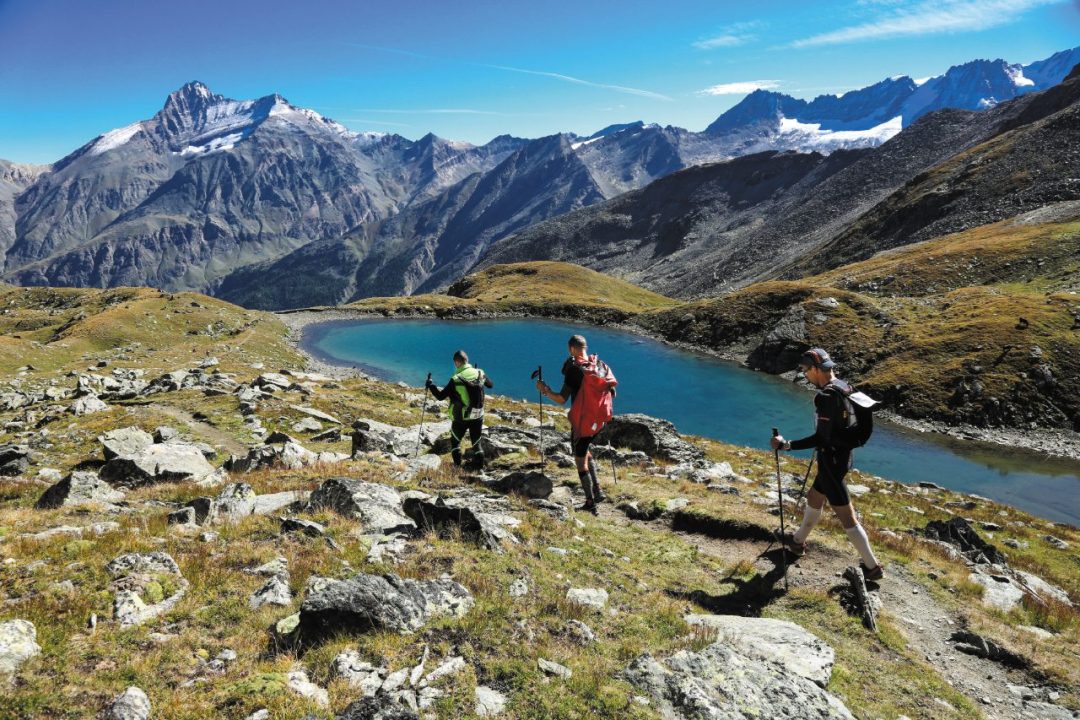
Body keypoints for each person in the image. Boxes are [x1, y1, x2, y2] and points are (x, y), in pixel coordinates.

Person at [771, 348, 884, 581]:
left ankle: (872, 567)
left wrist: (786, 445)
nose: (805, 375)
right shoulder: (844, 387)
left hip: (831, 460)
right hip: (842, 456)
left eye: (805, 370)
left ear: (815, 369)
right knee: (814, 496)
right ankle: (797, 541)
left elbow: (821, 438)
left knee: (846, 516)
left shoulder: (825, 397)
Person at [535, 334, 615, 514]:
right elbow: (612, 390)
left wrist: (545, 390)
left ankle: (590, 503)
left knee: (580, 461)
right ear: (585, 347)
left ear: (572, 349)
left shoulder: (574, 370)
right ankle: (598, 489)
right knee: (586, 450)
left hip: (582, 422)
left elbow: (562, 399)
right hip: (599, 420)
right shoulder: (599, 365)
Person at [426, 350, 493, 469]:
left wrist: (431, 385)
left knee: (455, 442)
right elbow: (490, 385)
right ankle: (480, 471)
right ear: (467, 360)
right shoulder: (479, 372)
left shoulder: (456, 379)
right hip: (478, 415)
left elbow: (440, 396)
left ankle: (457, 468)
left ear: (457, 362)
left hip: (461, 417)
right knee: (476, 443)